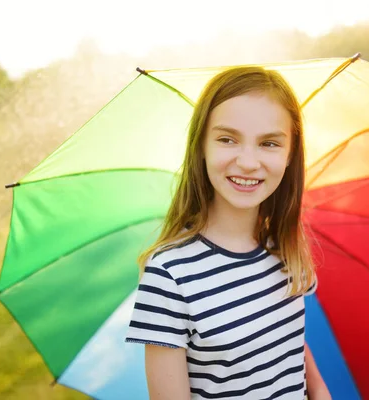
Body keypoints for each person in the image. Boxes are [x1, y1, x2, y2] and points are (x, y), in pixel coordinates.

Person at [125, 65, 331, 400]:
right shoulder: (169, 275)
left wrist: (320, 391)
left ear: (291, 154)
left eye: (269, 143)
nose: (248, 162)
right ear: (201, 146)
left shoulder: (283, 247)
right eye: (227, 139)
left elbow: (284, 338)